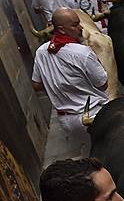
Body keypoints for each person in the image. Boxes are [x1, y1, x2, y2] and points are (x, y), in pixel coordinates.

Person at [31, 9, 109, 157]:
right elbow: (102, 84)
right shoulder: (82, 53)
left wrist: (57, 85)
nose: (80, 28)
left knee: (89, 154)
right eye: (75, 25)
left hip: (66, 121)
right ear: (61, 29)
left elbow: (36, 85)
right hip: (93, 116)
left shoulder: (41, 51)